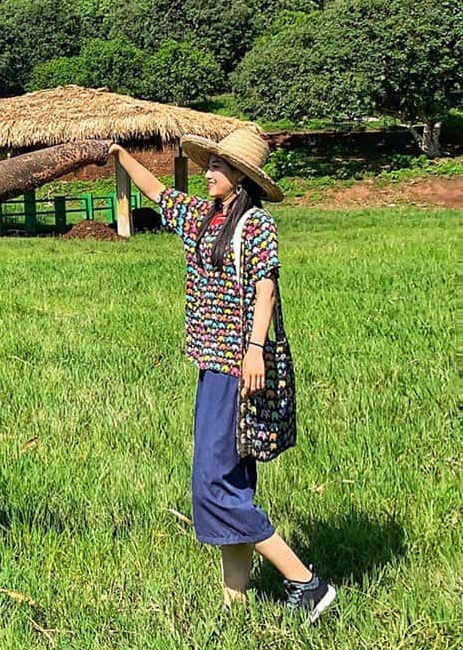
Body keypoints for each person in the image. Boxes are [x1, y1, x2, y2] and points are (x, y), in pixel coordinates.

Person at [110, 128, 336, 623]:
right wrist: (122, 155)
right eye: (210, 164)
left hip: (239, 367)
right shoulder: (200, 217)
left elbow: (267, 289)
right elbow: (157, 192)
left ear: (241, 178)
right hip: (212, 362)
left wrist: (254, 351)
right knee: (230, 481)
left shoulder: (255, 224)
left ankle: (306, 582)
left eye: (219, 167)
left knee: (211, 484)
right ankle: (235, 602)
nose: (209, 172)